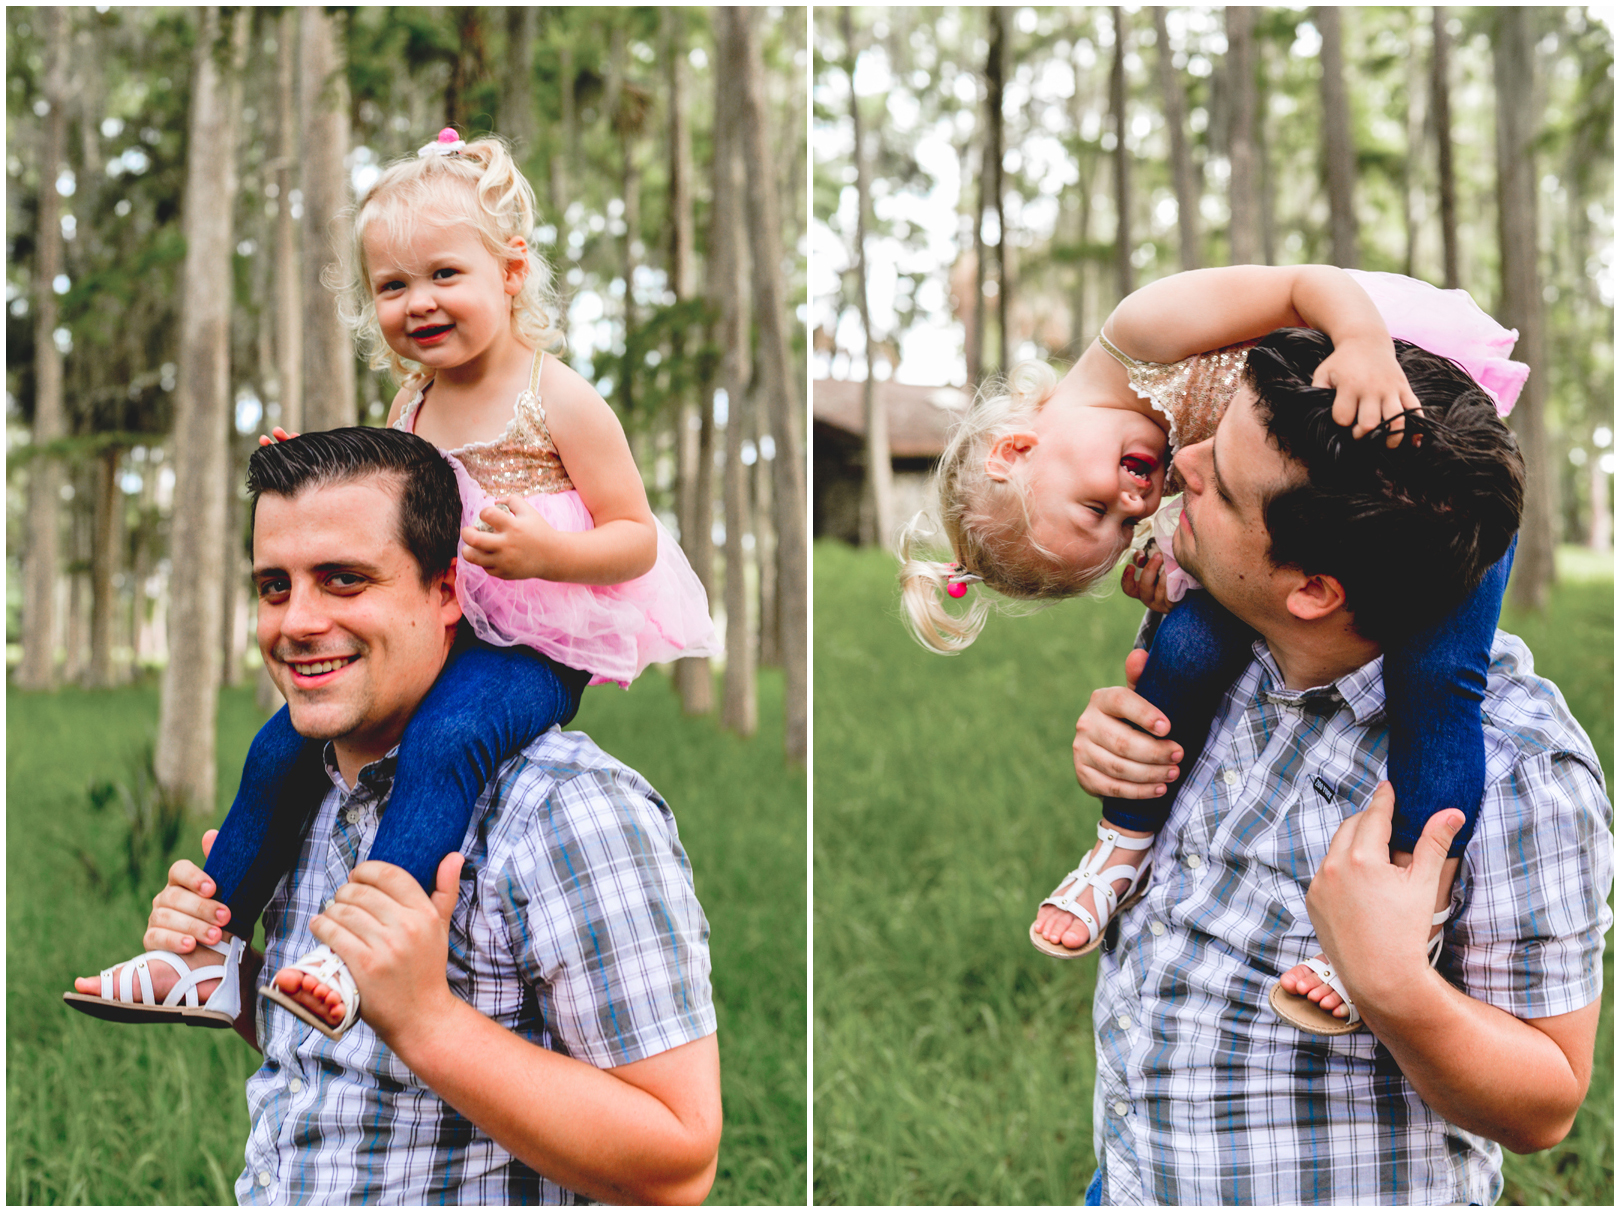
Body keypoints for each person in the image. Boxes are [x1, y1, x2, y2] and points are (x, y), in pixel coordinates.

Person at [66, 129, 718, 1039]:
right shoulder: (410, 405)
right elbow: (383, 510)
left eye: (445, 275)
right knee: (276, 750)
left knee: (449, 737)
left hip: (537, 637)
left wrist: (547, 554)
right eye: (392, 286)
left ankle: (363, 945)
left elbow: (637, 538)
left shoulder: (554, 394)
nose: (419, 303)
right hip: (443, 626)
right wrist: (308, 464)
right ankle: (206, 956)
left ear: (512, 272)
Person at [94, 427, 722, 1203]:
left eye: (346, 580)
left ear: (450, 587)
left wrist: (428, 1021)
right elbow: (349, 1067)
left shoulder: (569, 814)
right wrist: (240, 974)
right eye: (274, 586)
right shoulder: (315, 793)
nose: (296, 623)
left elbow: (679, 1165)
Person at [896, 265, 1528, 1026]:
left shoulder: (1143, 331)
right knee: (1187, 644)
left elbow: (1303, 284)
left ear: (1018, 447)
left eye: (1098, 506)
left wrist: (1360, 340)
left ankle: (1409, 905)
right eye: (1123, 526)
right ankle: (1122, 841)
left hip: (1431, 431)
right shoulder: (1148, 449)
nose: (1137, 503)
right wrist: (1170, 577)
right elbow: (1240, 526)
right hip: (1338, 491)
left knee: (1436, 681)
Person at [1072, 328, 1610, 1204]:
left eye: (1225, 482)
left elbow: (1546, 1103)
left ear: (1314, 589)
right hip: (1134, 1181)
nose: (1188, 464)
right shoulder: (1219, 646)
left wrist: (1393, 984)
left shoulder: (1519, 770)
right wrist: (1116, 761)